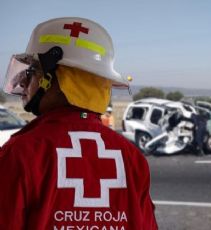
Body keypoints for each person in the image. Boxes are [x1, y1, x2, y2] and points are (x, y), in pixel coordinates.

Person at [0, 17, 157, 229]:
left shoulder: (20, 153)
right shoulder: (132, 157)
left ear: (53, 78)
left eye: (32, 71)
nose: (23, 82)